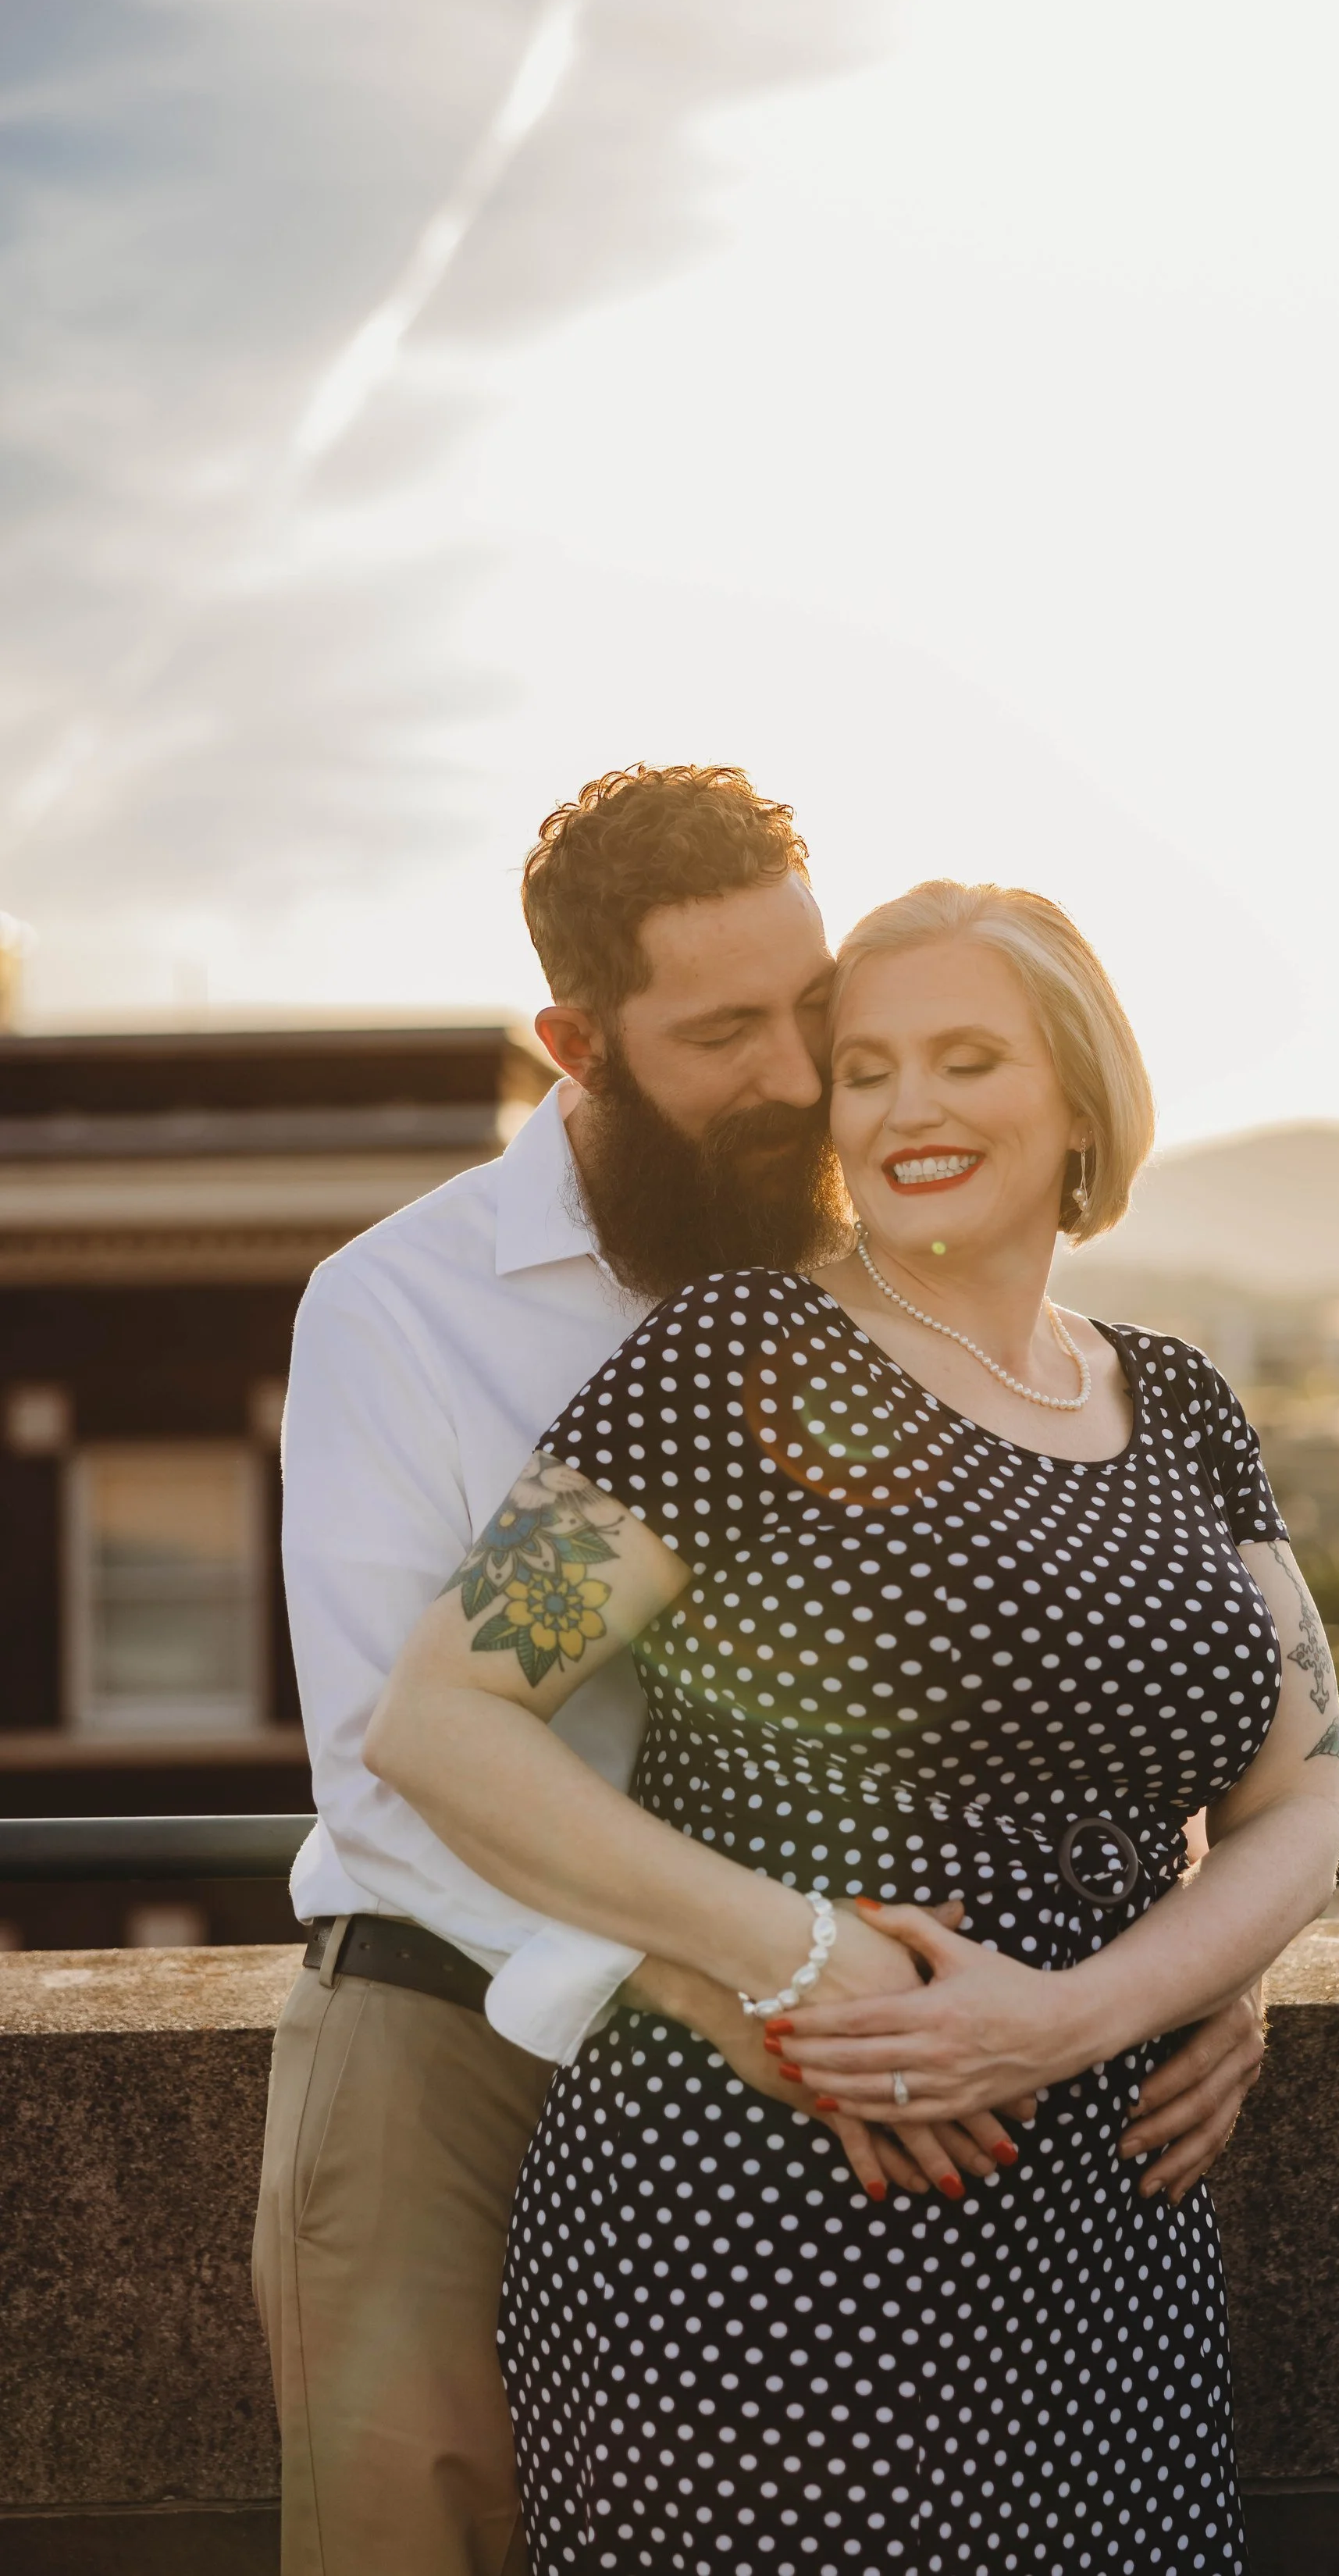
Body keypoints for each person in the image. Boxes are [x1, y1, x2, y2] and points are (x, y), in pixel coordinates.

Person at [255, 771, 1271, 2576]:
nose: (805, 1082)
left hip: (866, 2048)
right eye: (726, 1034)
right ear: (578, 1040)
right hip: (455, 2002)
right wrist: (744, 1980)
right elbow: (387, 1760)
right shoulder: (397, 1307)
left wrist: (1180, 1963)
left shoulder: (866, 1269)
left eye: (815, 1014)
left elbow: (1076, 1683)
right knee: (422, 2520)